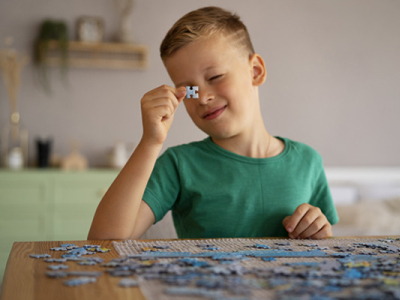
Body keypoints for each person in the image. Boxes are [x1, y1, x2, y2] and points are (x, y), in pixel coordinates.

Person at [88, 6, 339, 241]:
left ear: (255, 72)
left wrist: (319, 232)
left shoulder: (308, 161)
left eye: (216, 77)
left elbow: (325, 247)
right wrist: (150, 142)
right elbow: (104, 241)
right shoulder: (178, 165)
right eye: (190, 90)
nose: (205, 97)